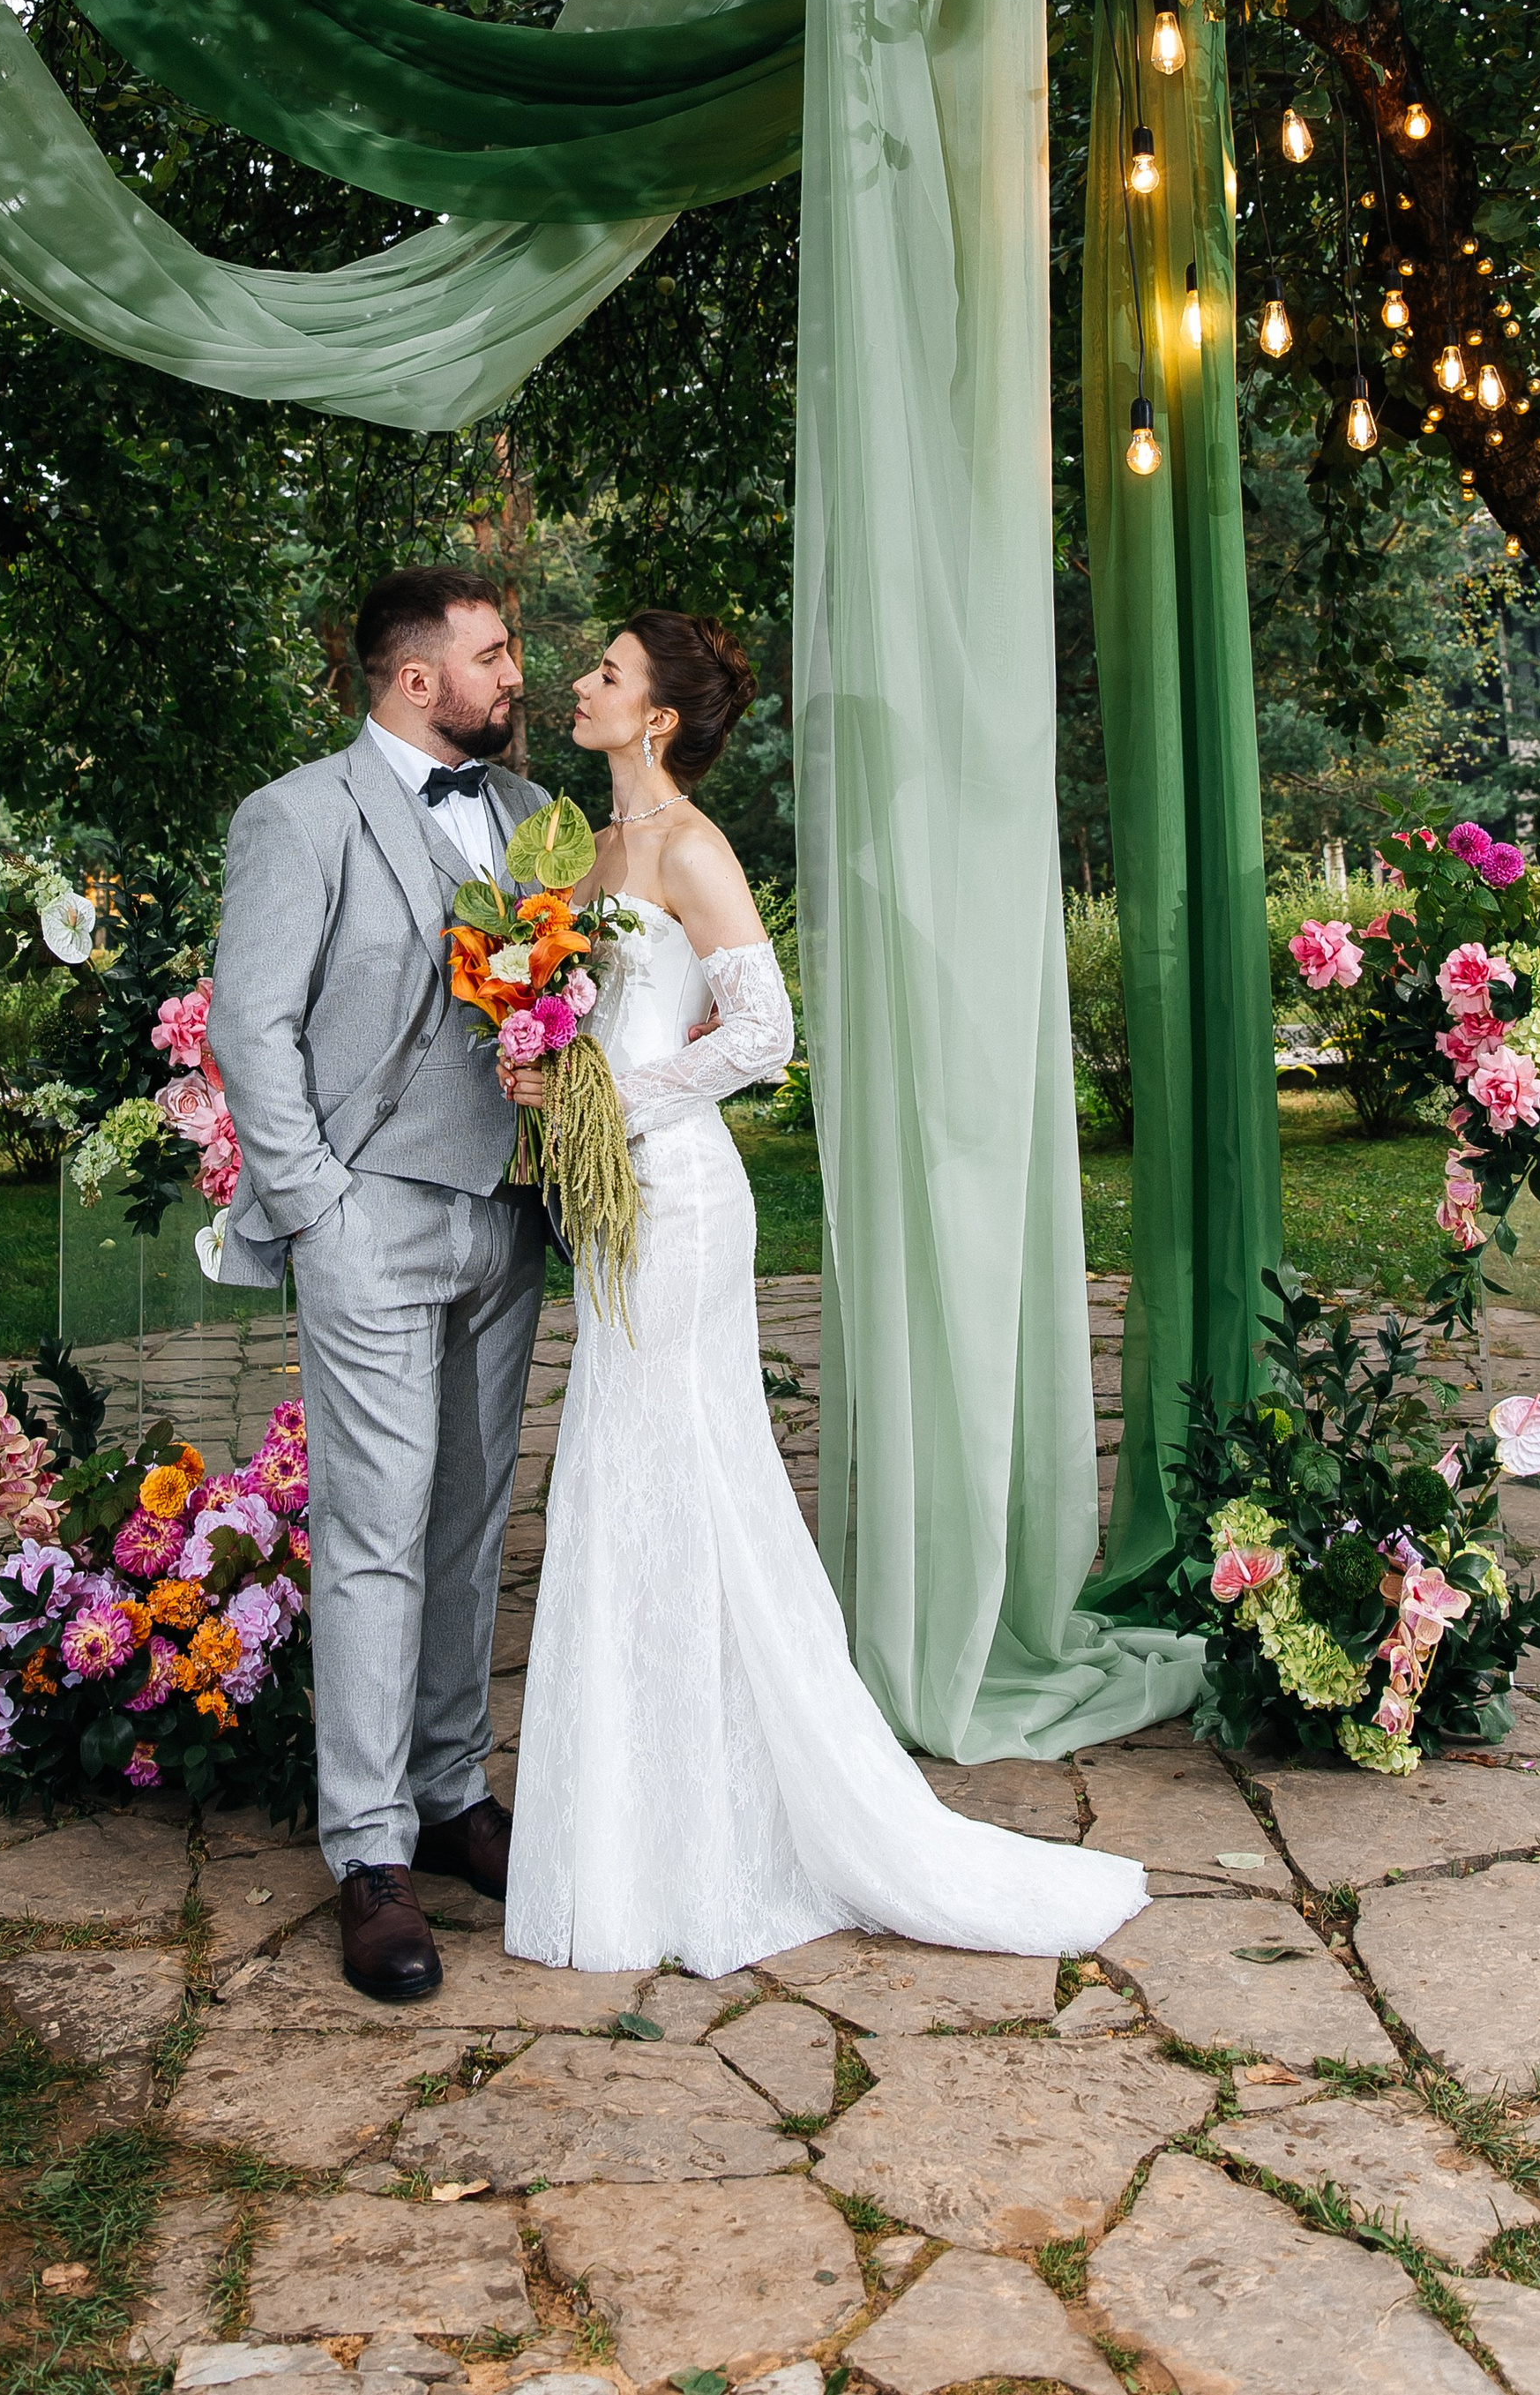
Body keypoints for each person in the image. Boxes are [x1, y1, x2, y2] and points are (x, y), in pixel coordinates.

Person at [500, 610, 1150, 1976]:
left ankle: (738, 1830)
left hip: (679, 1202)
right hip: (607, 1206)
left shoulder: (690, 846)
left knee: (677, 1482)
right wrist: (537, 1061)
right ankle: (639, 1838)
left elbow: (763, 1032)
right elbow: (593, 1013)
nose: (580, 683)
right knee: (626, 1488)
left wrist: (612, 1097)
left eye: (608, 672)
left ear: (657, 715)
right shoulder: (585, 849)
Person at [210, 563, 546, 2002]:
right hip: (370, 1222)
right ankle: (368, 1849)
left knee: (470, 1524)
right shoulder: (298, 817)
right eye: (492, 653)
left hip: (507, 1220)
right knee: (373, 1533)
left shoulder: (533, 816)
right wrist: (322, 1211)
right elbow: (250, 1026)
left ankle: (454, 1791)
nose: (514, 672)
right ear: (417, 680)